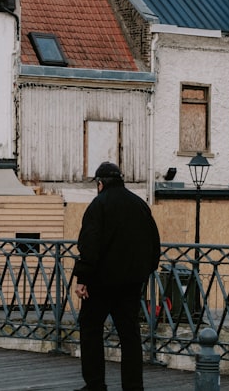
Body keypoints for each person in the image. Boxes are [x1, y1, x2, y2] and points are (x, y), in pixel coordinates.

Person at [72, 162, 161, 391]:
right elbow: (154, 244)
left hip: (100, 283)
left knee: (91, 329)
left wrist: (82, 278)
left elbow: (89, 244)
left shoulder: (98, 205)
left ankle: (95, 384)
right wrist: (145, 271)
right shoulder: (139, 204)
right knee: (129, 335)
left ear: (100, 184)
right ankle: (133, 386)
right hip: (131, 283)